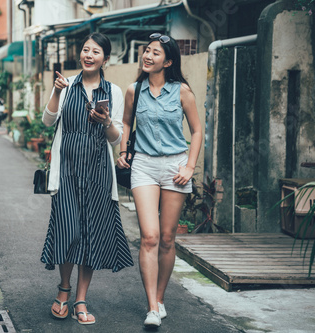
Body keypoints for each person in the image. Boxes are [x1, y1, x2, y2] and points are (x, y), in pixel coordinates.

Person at [40, 32, 134, 325]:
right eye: (85, 50)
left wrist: (105, 122)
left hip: (97, 173)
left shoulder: (114, 92)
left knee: (91, 234)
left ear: (105, 58)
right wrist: (56, 92)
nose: (88, 55)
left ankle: (80, 299)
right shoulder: (66, 85)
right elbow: (47, 121)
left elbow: (117, 136)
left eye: (95, 51)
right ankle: (63, 291)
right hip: (66, 171)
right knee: (69, 231)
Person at [116, 32, 203, 328]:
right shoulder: (134, 90)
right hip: (144, 166)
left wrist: (190, 167)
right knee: (150, 236)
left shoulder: (182, 92)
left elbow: (196, 131)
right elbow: (127, 121)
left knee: (167, 238)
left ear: (167, 61)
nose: (148, 56)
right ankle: (152, 307)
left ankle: (161, 298)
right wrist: (124, 149)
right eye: (146, 51)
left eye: (155, 53)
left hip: (176, 166)